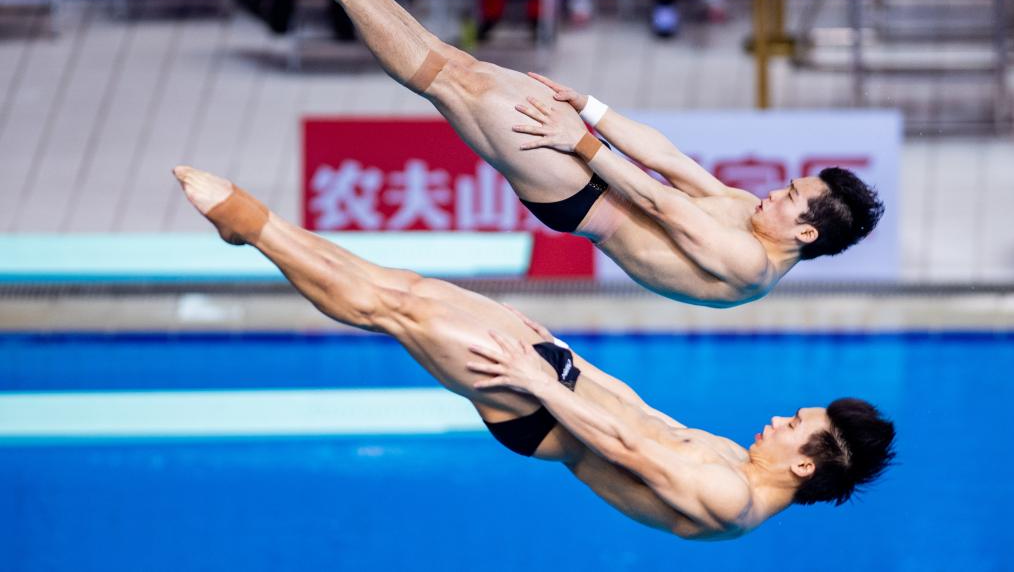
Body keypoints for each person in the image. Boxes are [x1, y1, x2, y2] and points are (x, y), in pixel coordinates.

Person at [173, 164, 897, 540]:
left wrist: (538, 380)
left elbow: (624, 447)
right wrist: (562, 353)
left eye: (793, 426)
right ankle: (258, 231)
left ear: (805, 465)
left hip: (539, 409)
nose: (777, 420)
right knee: (407, 288)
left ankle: (250, 225)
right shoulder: (736, 461)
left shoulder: (731, 502)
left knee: (392, 310)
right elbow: (641, 414)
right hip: (556, 375)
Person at [276, 0, 885, 308]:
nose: (773, 194)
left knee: (447, 83)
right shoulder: (748, 213)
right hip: (596, 171)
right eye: (786, 186)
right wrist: (588, 107)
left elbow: (658, 203)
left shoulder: (749, 265)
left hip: (581, 197)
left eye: (789, 198)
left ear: (805, 234)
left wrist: (580, 141)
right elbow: (670, 161)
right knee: (458, 64)